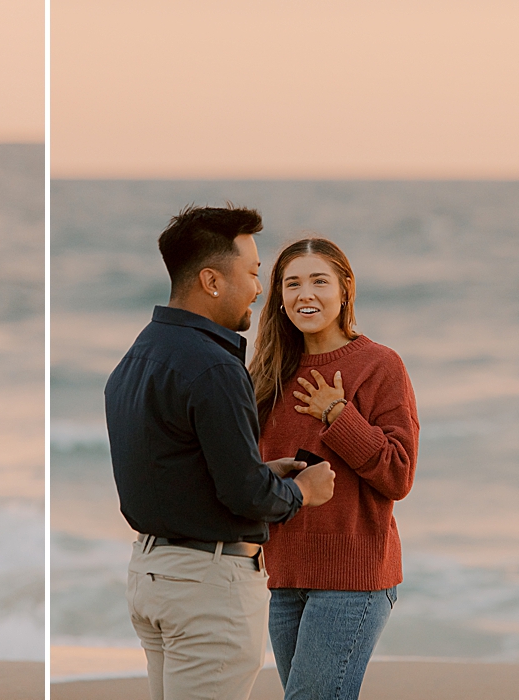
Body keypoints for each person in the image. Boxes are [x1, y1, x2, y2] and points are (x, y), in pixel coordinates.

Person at [104, 205, 337, 700]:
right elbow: (245, 495)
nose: (259, 289)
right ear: (211, 281)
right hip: (206, 589)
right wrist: (300, 492)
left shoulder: (140, 354)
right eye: (253, 274)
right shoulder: (214, 366)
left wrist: (260, 471)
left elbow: (171, 468)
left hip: (151, 575)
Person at [247, 238, 417, 700]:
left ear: (345, 289)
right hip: (284, 577)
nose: (306, 294)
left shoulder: (380, 365)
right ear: (279, 297)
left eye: (319, 281)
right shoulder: (267, 372)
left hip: (353, 580)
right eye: (292, 283)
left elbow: (398, 474)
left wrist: (337, 415)